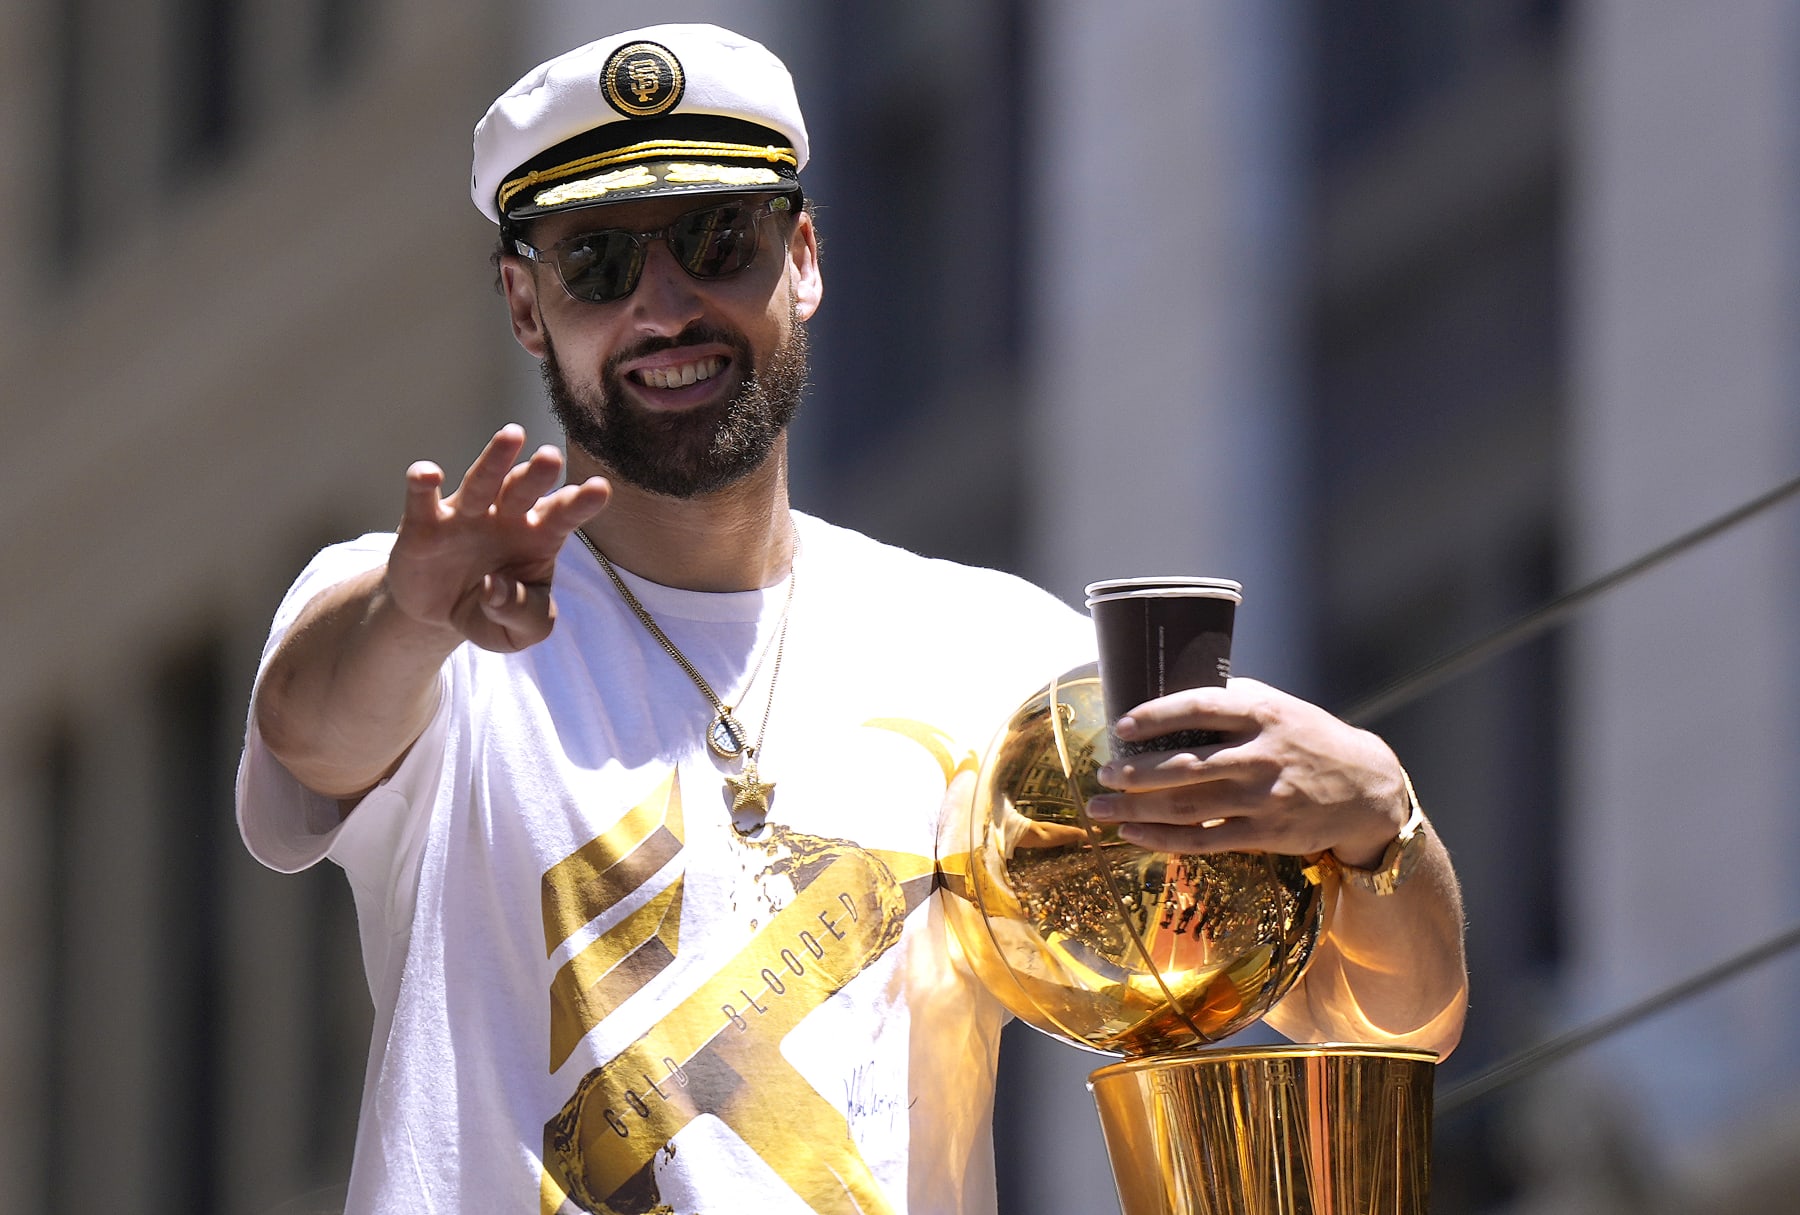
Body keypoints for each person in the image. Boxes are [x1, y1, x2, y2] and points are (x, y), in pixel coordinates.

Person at [238, 23, 1467, 1215]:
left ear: (807, 259)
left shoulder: (995, 662)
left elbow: (1383, 1024)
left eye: (717, 240)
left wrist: (1377, 817)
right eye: (599, 265)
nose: (665, 307)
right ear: (525, 307)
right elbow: (313, 732)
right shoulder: (434, 628)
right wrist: (408, 610)